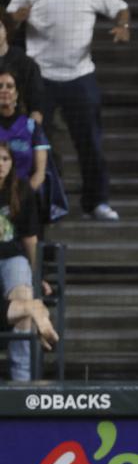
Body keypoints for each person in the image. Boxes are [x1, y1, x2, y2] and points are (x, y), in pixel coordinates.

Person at [7, 0, 130, 223]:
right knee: (37, 143)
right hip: (40, 75)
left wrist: (123, 26)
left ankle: (96, 202)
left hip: (80, 75)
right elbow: (9, 18)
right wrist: (16, 19)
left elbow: (121, 8)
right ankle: (44, 203)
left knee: (91, 143)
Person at [0, 139, 58, 380]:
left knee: (24, 294)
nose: (0, 164)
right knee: (27, 307)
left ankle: (21, 379)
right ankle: (37, 313)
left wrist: (38, 276)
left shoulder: (20, 189)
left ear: (12, 163)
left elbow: (30, 240)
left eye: (4, 159)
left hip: (11, 258)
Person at [0, 68, 47, 191]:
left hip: (26, 195)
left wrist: (22, 198)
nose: (4, 90)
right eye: (0, 86)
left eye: (9, 86)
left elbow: (40, 174)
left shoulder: (32, 127)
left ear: (16, 94)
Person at [0, 5, 44, 122]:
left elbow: (36, 105)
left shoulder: (25, 63)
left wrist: (31, 132)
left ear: (6, 28)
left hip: (18, 128)